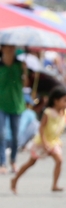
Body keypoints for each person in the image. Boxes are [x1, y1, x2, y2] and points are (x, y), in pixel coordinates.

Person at [11, 86, 66, 194]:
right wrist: (44, 142)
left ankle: (55, 185)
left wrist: (57, 140)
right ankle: (15, 180)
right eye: (65, 100)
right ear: (56, 101)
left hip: (53, 142)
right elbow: (41, 128)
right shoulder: (49, 112)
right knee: (30, 163)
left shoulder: (65, 112)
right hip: (42, 142)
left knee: (59, 160)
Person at [0, 44, 28, 174]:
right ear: (2, 48)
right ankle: (2, 162)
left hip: (16, 104)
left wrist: (25, 72)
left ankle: (13, 160)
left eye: (13, 47)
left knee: (15, 136)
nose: (11, 49)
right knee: (1, 133)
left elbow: (26, 84)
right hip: (1, 104)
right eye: (8, 46)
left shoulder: (20, 65)